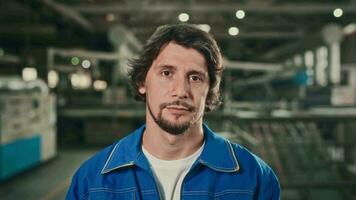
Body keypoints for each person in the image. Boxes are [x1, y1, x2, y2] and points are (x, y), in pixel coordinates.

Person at [66, 24, 280, 200]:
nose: (180, 91)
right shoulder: (90, 181)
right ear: (142, 81)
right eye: (167, 73)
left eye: (195, 78)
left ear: (210, 90)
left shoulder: (255, 179)